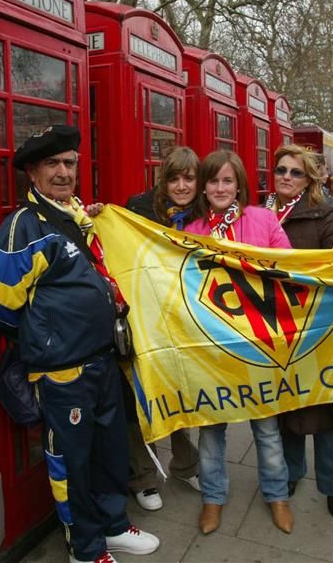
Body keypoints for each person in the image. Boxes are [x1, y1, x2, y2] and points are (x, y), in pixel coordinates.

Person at [0, 126, 159, 563]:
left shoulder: (79, 216)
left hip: (103, 358)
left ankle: (113, 525)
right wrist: (49, 337)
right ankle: (85, 547)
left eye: (70, 163)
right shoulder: (23, 229)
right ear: (32, 172)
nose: (63, 172)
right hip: (62, 369)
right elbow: (1, 307)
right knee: (72, 462)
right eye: (52, 164)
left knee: (109, 449)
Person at [184, 149, 295, 536]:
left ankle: (276, 495)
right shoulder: (193, 230)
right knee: (212, 431)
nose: (219, 188)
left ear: (239, 185)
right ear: (204, 186)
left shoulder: (263, 219)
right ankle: (213, 499)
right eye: (213, 181)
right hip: (212, 347)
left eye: (227, 181)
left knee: (266, 430)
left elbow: (292, 266)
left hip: (259, 341)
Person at [266, 144, 333, 526]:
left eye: (296, 173)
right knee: (285, 408)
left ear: (309, 181)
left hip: (315, 328)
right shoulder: (259, 213)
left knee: (324, 416)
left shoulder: (323, 215)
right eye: (281, 170)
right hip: (273, 327)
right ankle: (290, 475)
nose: (287, 178)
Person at [123, 146, 202, 509]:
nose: (182, 185)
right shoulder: (138, 207)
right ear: (163, 179)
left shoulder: (204, 213)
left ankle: (186, 463)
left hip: (186, 318)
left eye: (189, 178)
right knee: (142, 395)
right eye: (175, 178)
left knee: (179, 392)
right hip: (145, 315)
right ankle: (143, 476)